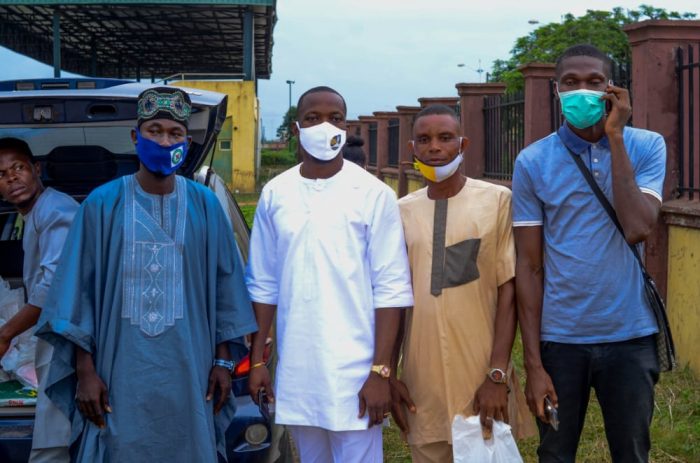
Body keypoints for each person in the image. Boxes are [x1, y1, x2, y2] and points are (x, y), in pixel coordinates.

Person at [35, 87, 258, 462]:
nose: (164, 141)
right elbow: (77, 294)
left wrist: (223, 363)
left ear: (186, 142)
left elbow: (226, 290)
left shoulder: (205, 206)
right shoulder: (101, 205)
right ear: (135, 137)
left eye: (175, 133)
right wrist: (85, 371)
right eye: (155, 131)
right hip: (118, 376)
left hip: (191, 375)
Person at [512, 44, 666, 463]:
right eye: (571, 82)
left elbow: (637, 227)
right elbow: (528, 265)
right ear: (556, 90)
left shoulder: (647, 146)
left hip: (631, 335)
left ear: (612, 88)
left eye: (594, 82)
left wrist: (615, 137)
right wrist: (533, 365)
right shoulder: (532, 161)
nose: (582, 90)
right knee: (555, 453)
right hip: (560, 340)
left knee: (631, 452)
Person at [245, 86, 414, 463]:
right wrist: (257, 362)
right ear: (296, 129)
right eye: (313, 118)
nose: (325, 126)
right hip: (299, 371)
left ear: (346, 126)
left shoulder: (373, 194)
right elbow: (263, 284)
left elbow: (391, 289)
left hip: (356, 373)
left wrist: (381, 372)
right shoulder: (276, 193)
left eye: (335, 118)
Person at [390, 105, 534, 462]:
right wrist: (389, 372)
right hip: (421, 378)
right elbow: (394, 297)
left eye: (445, 138)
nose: (434, 147)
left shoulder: (496, 201)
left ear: (463, 144)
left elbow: (508, 290)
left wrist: (497, 375)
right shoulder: (401, 211)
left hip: (480, 373)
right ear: (412, 148)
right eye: (424, 139)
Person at [0, 137, 78, 462]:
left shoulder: (56, 210)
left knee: (53, 446)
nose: (11, 178)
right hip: (55, 340)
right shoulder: (37, 214)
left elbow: (51, 288)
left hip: (70, 345)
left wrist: (6, 334)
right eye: (1, 174)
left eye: (18, 167)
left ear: (36, 169)